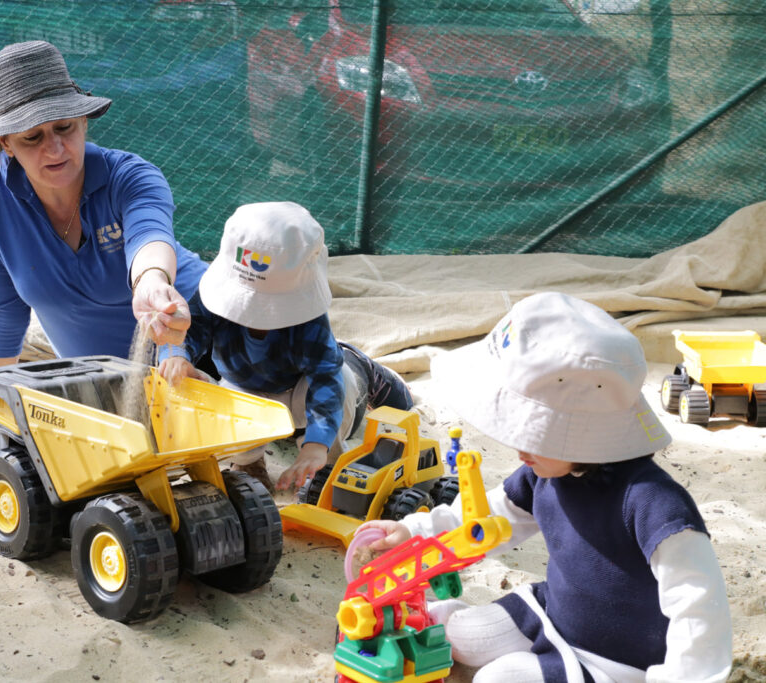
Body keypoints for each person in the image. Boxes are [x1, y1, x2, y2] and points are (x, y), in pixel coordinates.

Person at [356, 292, 732, 682]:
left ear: (582, 435)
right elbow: (485, 518)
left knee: (496, 678)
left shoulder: (654, 503)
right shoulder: (546, 472)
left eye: (535, 434)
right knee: (460, 636)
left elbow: (698, 603)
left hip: (613, 660)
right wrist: (414, 532)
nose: (520, 450)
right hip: (552, 612)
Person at [0, 41, 207, 426]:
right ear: (6, 143)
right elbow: (0, 305)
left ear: (84, 123)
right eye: (33, 137)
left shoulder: (131, 175)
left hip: (199, 335)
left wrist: (151, 282)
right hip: (102, 386)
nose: (56, 148)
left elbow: (150, 233)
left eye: (64, 127)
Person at [157, 201, 414, 492]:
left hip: (301, 385)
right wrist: (178, 356)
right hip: (246, 389)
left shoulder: (310, 322)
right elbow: (185, 332)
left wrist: (316, 447)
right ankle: (249, 463)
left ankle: (325, 464)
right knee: (222, 409)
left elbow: (325, 378)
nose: (256, 314)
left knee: (344, 380)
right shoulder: (210, 301)